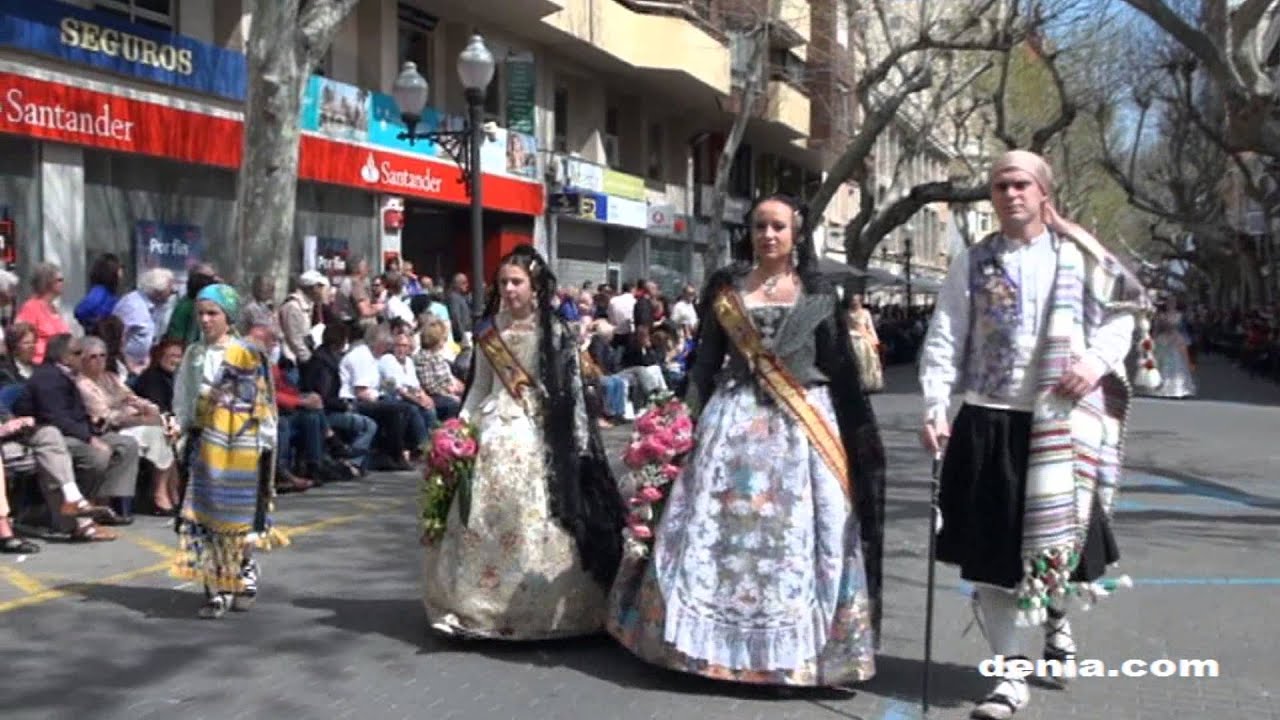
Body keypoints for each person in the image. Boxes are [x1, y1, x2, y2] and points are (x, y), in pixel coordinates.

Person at [608, 194, 887, 687]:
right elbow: (705, 363)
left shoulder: (820, 293)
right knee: (711, 533)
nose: (769, 235)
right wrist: (678, 424)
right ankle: (703, 652)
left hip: (800, 430)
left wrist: (855, 440)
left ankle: (801, 657)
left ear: (796, 234)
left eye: (779, 226)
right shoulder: (726, 289)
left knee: (797, 540)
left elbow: (840, 369)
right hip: (730, 427)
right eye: (760, 226)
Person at [918, 150, 1147, 719]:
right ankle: (1008, 677)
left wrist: (1094, 361)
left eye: (1020, 184)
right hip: (989, 417)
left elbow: (1125, 308)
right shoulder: (972, 262)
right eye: (999, 186)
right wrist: (933, 406)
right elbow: (947, 334)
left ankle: (1056, 619)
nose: (1009, 194)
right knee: (993, 559)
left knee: (1058, 550)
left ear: (1044, 191)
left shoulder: (1081, 255)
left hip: (1062, 421)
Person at [422, 245, 625, 640]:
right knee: (476, 514)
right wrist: (460, 429)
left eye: (517, 282)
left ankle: (540, 607)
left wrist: (579, 448)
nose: (509, 289)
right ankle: (477, 607)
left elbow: (570, 396)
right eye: (503, 282)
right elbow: (479, 388)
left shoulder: (556, 332)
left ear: (535, 287)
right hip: (492, 428)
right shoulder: (487, 331)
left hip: (539, 434)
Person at [171, 284, 287, 619]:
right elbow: (183, 397)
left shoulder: (247, 353)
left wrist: (265, 442)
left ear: (228, 317)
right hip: (204, 442)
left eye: (213, 313)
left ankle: (244, 569)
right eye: (201, 314)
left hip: (242, 445)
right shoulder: (193, 355)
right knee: (205, 518)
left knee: (241, 518)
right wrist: (179, 426)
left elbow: (263, 403)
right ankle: (216, 584)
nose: (206, 320)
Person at [1142, 300, 1197, 398]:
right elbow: (1156, 329)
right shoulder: (1161, 315)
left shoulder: (1180, 315)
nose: (1171, 305)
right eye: (1169, 303)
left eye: (1173, 303)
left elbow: (1184, 327)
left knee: (1177, 362)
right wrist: (1152, 339)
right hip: (1163, 339)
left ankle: (1177, 389)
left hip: (1176, 339)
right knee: (1161, 362)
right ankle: (1160, 386)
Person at [847, 293, 884, 393]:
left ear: (860, 301)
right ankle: (856, 383)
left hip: (864, 340)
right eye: (852, 300)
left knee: (868, 361)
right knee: (856, 362)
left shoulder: (865, 313)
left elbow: (870, 327)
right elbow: (846, 327)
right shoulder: (847, 313)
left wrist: (875, 340)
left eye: (856, 300)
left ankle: (868, 383)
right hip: (852, 339)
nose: (854, 302)